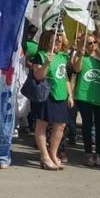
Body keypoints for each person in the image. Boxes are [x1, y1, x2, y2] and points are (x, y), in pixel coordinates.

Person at [30, 30, 72, 171]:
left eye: (60, 41)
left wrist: (70, 95)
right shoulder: (40, 56)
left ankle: (53, 153)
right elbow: (38, 76)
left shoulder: (62, 56)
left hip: (60, 94)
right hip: (47, 94)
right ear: (48, 41)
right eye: (56, 41)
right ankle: (44, 156)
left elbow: (65, 77)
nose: (59, 44)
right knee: (42, 124)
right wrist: (47, 63)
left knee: (60, 125)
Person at [72, 33, 100, 167]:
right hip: (84, 97)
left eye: (94, 42)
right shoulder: (80, 56)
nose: (93, 45)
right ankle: (88, 152)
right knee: (87, 125)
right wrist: (80, 54)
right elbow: (77, 68)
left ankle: (98, 153)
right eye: (89, 43)